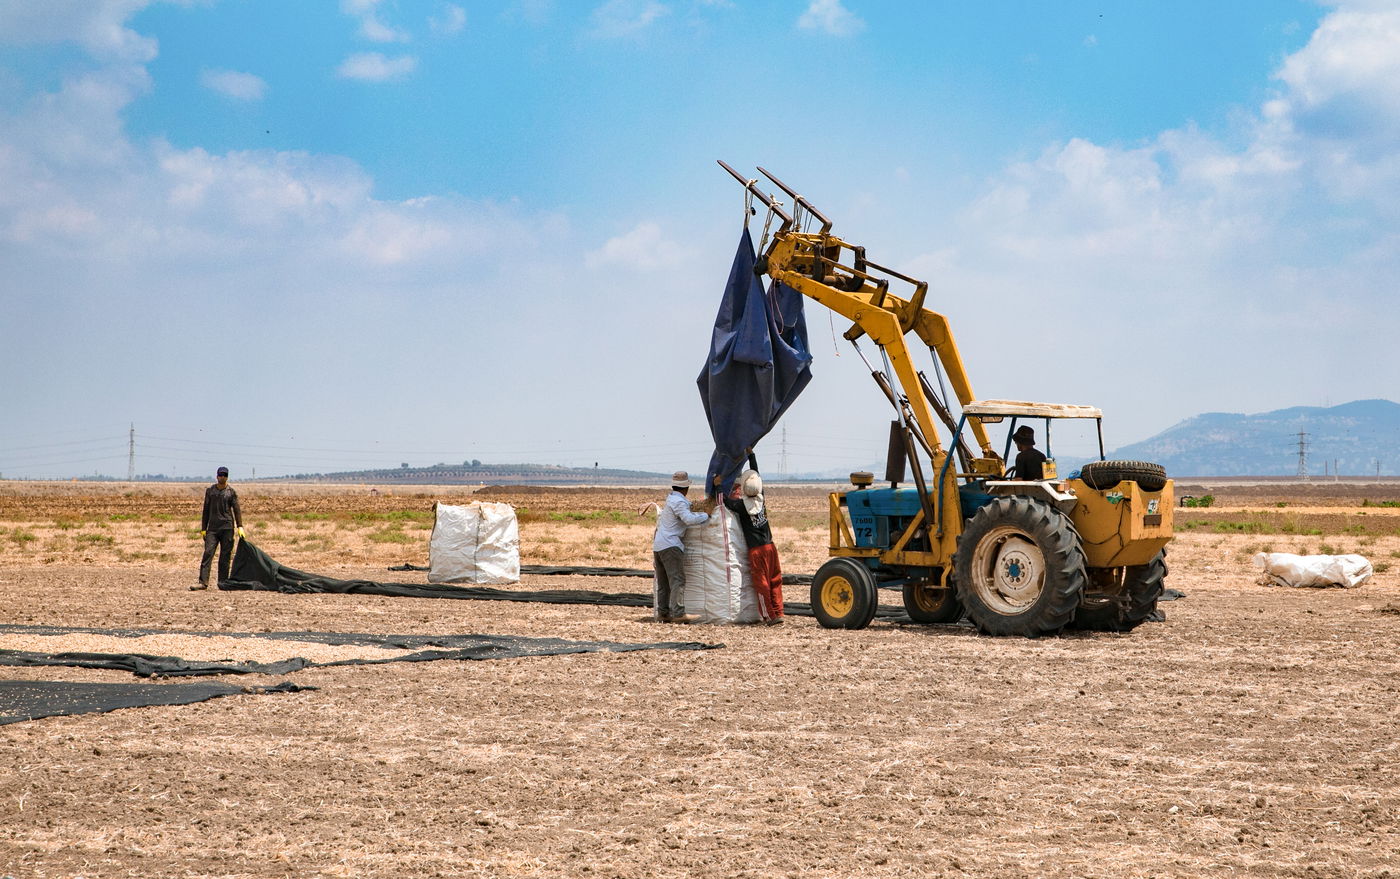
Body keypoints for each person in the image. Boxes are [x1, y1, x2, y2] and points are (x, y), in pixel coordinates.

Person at [723, 469, 784, 625]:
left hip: (756, 550)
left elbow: (725, 501)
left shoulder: (741, 506)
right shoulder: (761, 499)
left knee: (761, 583)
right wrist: (751, 456)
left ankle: (769, 616)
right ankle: (779, 612)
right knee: (775, 579)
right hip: (771, 546)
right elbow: (758, 476)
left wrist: (718, 485)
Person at [652, 470, 710, 622]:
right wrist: (706, 515)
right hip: (671, 545)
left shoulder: (671, 499)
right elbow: (688, 519)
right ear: (686, 488)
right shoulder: (678, 502)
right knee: (677, 580)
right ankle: (678, 614)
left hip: (659, 545)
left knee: (663, 583)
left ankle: (663, 613)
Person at [195, 466, 245, 590]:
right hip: (212, 528)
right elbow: (205, 510)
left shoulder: (231, 492)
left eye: (225, 475)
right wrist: (203, 528)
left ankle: (222, 582)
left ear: (227, 477)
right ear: (216, 476)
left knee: (225, 556)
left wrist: (240, 526)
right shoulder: (210, 491)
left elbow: (237, 510)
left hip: (227, 528)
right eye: (220, 475)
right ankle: (203, 582)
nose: (222, 477)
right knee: (208, 553)